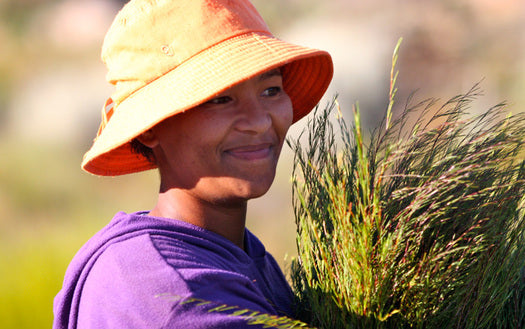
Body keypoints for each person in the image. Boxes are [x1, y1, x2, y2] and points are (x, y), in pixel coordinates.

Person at [53, 0, 333, 328]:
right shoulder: (171, 292)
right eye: (219, 99)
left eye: (271, 90)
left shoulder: (237, 254)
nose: (258, 122)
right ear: (150, 128)